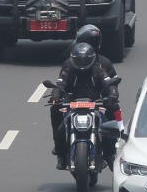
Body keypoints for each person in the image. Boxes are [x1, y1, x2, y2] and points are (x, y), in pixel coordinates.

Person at [47, 41, 119, 170]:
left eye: (85, 61)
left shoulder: (99, 69)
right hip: (73, 104)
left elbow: (109, 82)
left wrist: (112, 95)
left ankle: (109, 154)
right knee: (60, 128)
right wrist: (55, 96)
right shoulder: (69, 68)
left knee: (108, 127)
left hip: (95, 104)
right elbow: (60, 83)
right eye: (79, 61)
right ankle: (61, 155)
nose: (82, 64)